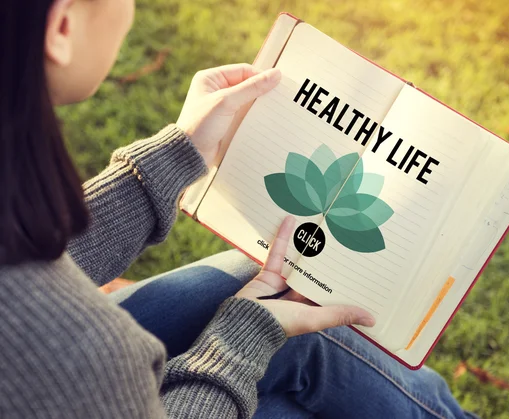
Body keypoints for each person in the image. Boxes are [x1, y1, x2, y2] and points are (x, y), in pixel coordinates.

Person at [0, 0, 477, 418]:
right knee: (294, 356)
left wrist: (174, 157)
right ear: (62, 27)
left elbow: (22, 257)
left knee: (254, 286)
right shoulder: (79, 349)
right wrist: (240, 339)